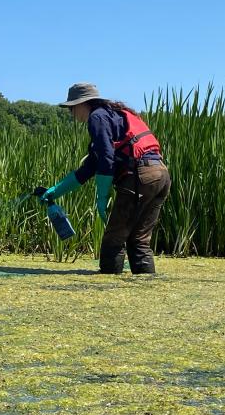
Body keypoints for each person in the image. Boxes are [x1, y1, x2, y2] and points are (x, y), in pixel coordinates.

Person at [41, 83, 171, 274]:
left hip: (140, 176)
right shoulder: (114, 115)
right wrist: (55, 190)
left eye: (71, 108)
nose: (71, 113)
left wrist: (101, 196)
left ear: (82, 104)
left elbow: (106, 157)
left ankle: (108, 287)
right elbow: (90, 167)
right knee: (139, 240)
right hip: (161, 175)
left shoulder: (97, 117)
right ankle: (146, 289)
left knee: (114, 239)